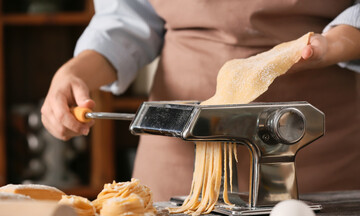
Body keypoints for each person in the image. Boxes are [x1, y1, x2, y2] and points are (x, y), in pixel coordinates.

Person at [41, 0, 360, 201]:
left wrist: (335, 44)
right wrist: (74, 72)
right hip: (176, 153)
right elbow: (125, 22)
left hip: (316, 152)